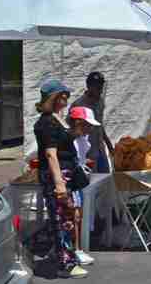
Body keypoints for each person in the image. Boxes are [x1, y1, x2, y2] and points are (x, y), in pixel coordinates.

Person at [34, 79, 88, 279]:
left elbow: (63, 144)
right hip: (58, 177)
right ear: (52, 98)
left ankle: (67, 257)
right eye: (61, 94)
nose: (66, 97)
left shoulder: (57, 119)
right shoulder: (46, 122)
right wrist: (59, 183)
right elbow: (50, 154)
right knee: (62, 220)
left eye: (66, 93)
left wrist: (76, 133)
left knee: (68, 218)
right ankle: (64, 264)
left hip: (67, 174)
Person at [68, 106, 100, 267]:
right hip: (71, 181)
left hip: (78, 180)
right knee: (74, 216)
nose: (91, 128)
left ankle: (76, 249)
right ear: (78, 123)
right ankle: (75, 251)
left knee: (77, 215)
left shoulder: (82, 139)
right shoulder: (71, 140)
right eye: (88, 125)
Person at [71, 72, 112, 173]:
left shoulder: (100, 102)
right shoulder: (78, 104)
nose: (100, 90)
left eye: (101, 87)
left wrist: (108, 144)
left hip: (100, 149)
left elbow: (100, 124)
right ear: (88, 86)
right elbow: (72, 130)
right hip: (87, 152)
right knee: (91, 181)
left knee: (104, 177)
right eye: (97, 87)